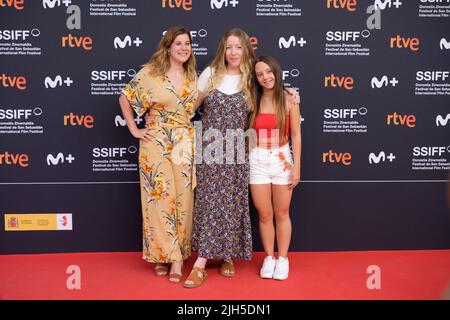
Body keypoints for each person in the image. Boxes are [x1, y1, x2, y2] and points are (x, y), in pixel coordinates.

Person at [183, 29, 299, 288]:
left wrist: (291, 92)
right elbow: (190, 107)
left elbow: (273, 89)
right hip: (211, 150)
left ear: (246, 49)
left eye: (238, 47)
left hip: (239, 151)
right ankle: (201, 262)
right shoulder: (210, 74)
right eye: (228, 47)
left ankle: (227, 256)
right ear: (222, 50)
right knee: (211, 202)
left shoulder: (251, 79)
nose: (233, 52)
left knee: (234, 203)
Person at [118, 26, 198, 283]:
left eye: (187, 43)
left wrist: (287, 91)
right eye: (178, 44)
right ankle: (162, 255)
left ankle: (177, 259)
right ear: (168, 47)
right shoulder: (151, 73)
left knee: (184, 200)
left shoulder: (193, 75)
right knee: (159, 199)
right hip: (156, 142)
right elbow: (125, 97)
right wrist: (134, 128)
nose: (184, 48)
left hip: (184, 142)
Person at [249, 55, 301, 280]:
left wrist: (296, 166)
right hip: (257, 159)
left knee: (281, 213)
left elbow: (296, 135)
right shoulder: (252, 98)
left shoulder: (290, 98)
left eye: (268, 72)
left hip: (282, 158)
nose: (265, 77)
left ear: (276, 71)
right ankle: (269, 258)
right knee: (264, 214)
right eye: (260, 74)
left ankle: (283, 258)